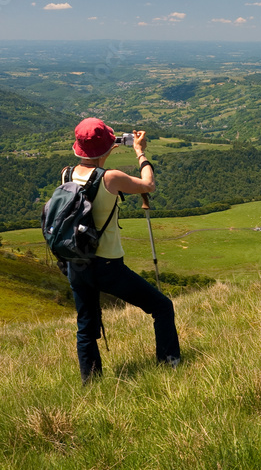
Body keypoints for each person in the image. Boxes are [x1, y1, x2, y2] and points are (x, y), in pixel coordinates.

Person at [64, 117, 180, 383]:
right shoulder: (111, 178)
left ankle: (91, 384)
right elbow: (148, 185)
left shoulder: (67, 174)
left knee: (86, 326)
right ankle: (170, 365)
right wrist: (140, 151)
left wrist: (103, 151)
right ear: (108, 147)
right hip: (107, 265)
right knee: (162, 307)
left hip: (77, 262)